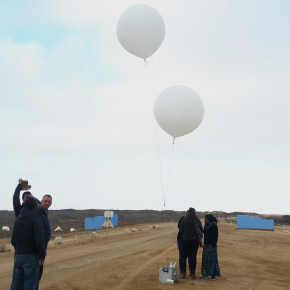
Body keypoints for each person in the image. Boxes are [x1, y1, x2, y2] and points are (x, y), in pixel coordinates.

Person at [11, 198, 46, 290]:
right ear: (35, 207)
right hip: (31, 257)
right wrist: (42, 254)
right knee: (30, 285)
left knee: (16, 285)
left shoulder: (18, 219)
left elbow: (13, 240)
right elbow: (39, 240)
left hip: (18, 256)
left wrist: (19, 249)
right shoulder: (37, 219)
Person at [178, 208, 203, 279]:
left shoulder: (184, 220)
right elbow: (201, 230)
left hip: (186, 241)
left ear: (188, 212)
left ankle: (183, 273)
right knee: (193, 257)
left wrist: (179, 240)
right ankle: (192, 274)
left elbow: (180, 231)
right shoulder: (197, 221)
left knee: (183, 257)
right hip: (195, 242)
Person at [35, 194, 52, 290]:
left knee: (38, 274)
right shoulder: (38, 212)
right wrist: (41, 254)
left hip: (41, 248)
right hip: (37, 249)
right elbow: (38, 235)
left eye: (49, 201)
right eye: (45, 201)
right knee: (35, 275)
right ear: (41, 202)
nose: (47, 203)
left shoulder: (44, 212)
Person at [200, 214, 221, 280]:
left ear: (208, 220)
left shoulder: (214, 226)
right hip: (206, 246)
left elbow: (215, 237)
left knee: (213, 261)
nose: (204, 220)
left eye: (205, 219)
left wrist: (213, 246)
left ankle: (213, 275)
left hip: (212, 246)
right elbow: (205, 234)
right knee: (205, 260)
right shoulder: (205, 226)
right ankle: (205, 274)